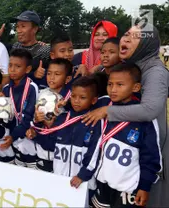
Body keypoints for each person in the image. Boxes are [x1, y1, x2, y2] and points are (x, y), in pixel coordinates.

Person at [82, 24, 169, 207]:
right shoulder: (134, 65)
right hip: (126, 153)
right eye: (127, 34)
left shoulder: (155, 71)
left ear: (147, 43)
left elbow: (149, 110)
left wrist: (108, 111)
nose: (126, 39)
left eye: (135, 37)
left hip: (149, 149)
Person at [91, 63, 162, 207]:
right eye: (110, 84)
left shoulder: (144, 116)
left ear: (135, 87)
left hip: (128, 187)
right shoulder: (103, 103)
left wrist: (145, 186)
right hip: (102, 181)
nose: (113, 89)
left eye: (120, 85)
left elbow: (150, 156)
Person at [28, 77, 101, 198]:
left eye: (82, 98)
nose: (76, 101)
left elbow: (95, 152)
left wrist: (83, 175)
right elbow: (51, 145)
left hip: (83, 182)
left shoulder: (94, 121)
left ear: (93, 100)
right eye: (73, 96)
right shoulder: (62, 118)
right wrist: (36, 135)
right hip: (60, 178)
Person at [2, 49, 38, 168]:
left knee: (32, 174)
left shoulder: (32, 88)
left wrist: (13, 136)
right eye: (10, 65)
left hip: (29, 140)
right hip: (14, 140)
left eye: (17, 66)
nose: (12, 69)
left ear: (27, 69)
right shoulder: (6, 89)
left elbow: (29, 117)